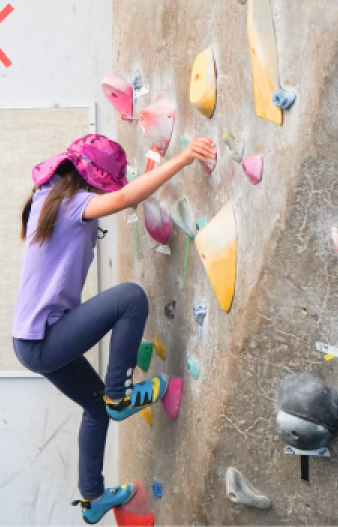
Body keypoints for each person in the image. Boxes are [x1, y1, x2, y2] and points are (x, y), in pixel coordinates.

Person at [12, 133, 215, 524]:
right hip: (45, 341)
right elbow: (124, 199)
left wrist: (154, 164)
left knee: (94, 406)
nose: (106, 193)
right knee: (130, 298)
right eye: (103, 185)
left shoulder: (48, 195)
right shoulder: (73, 203)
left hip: (29, 342)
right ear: (91, 182)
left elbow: (123, 194)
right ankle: (121, 397)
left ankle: (94, 500)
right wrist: (185, 157)